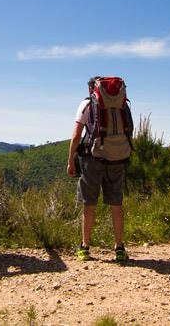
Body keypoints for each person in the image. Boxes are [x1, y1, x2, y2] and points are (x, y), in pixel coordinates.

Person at [66, 76, 128, 262]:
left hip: (92, 158)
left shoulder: (87, 103)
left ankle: (84, 247)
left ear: (92, 89)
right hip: (117, 157)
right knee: (116, 202)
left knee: (89, 202)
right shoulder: (122, 104)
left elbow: (77, 135)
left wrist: (71, 160)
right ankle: (119, 248)